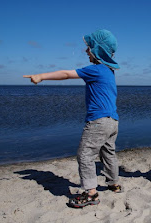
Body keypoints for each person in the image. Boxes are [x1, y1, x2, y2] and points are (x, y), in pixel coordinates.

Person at [23, 29, 122, 208]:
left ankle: (91, 193)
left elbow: (67, 74)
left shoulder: (96, 69)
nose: (86, 51)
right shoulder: (109, 71)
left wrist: (41, 76)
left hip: (98, 121)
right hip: (113, 121)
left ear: (98, 51)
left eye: (89, 48)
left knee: (85, 155)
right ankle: (114, 183)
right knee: (108, 153)